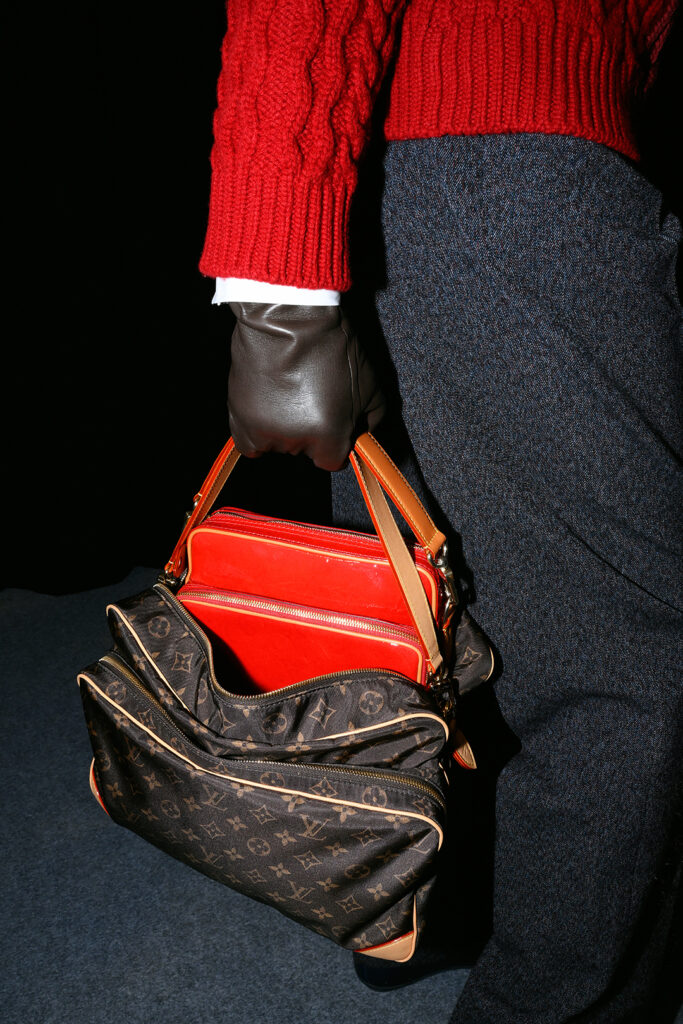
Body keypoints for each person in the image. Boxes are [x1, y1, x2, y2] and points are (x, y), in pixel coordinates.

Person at [199, 2, 683, 1020]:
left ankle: (418, 893)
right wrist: (276, 291)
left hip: (442, 173)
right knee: (626, 671)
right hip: (507, 178)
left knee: (427, 622)